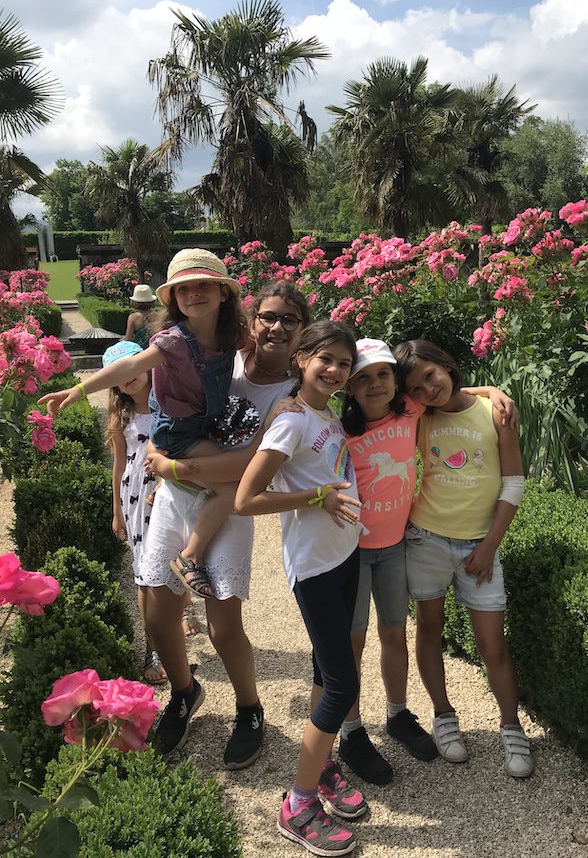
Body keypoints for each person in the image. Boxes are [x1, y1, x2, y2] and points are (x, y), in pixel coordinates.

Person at [140, 283, 310, 766]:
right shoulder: (224, 357)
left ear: (302, 331)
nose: (276, 328)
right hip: (175, 500)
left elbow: (251, 466)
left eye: (289, 320)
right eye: (268, 317)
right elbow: (165, 395)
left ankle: (249, 708)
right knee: (157, 612)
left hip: (228, 508)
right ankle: (183, 690)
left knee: (222, 626)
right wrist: (159, 450)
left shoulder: (295, 395)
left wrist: (173, 465)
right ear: (252, 322)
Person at [338, 338, 517, 784]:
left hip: (410, 544)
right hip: (376, 548)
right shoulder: (356, 426)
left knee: (402, 633)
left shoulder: (419, 411)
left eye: (384, 375)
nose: (376, 385)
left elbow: (451, 393)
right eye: (363, 378)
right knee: (362, 641)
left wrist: (491, 389)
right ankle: (365, 727)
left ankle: (407, 715)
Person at [39, 249, 246, 601]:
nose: (194, 293)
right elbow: (129, 367)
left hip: (203, 427)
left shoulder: (232, 335)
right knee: (232, 486)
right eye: (184, 289)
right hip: (178, 433)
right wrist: (78, 388)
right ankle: (190, 556)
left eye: (203, 286)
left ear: (223, 292)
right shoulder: (174, 341)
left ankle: (168, 487)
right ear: (174, 299)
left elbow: (259, 350)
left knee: (222, 478)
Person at [235, 321, 366, 857]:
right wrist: (315, 498)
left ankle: (323, 760)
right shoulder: (289, 424)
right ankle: (298, 802)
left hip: (344, 554)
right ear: (301, 359)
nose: (334, 370)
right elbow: (246, 498)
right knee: (342, 684)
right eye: (325, 359)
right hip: (313, 566)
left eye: (342, 362)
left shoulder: (323, 411)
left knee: (322, 669)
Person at [393, 339, 534, 778]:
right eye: (416, 386)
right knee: (430, 629)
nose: (427, 388)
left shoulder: (495, 413)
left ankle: (511, 726)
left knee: (493, 643)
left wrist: (490, 546)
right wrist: (489, 386)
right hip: (426, 540)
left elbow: (513, 483)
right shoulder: (420, 418)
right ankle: (443, 715)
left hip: (480, 547)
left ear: (447, 366)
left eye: (430, 375)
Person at [104, 339, 166, 684]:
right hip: (134, 498)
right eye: (119, 373)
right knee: (144, 574)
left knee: (170, 565)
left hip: (168, 492)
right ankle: (152, 648)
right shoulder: (122, 414)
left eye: (132, 366)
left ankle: (177, 620)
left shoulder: (168, 405)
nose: (128, 377)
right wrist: (116, 510)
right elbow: (118, 465)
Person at [124, 283, 157, 349]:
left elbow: (128, 339)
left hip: (139, 351)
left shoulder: (133, 317)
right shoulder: (157, 315)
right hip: (154, 350)